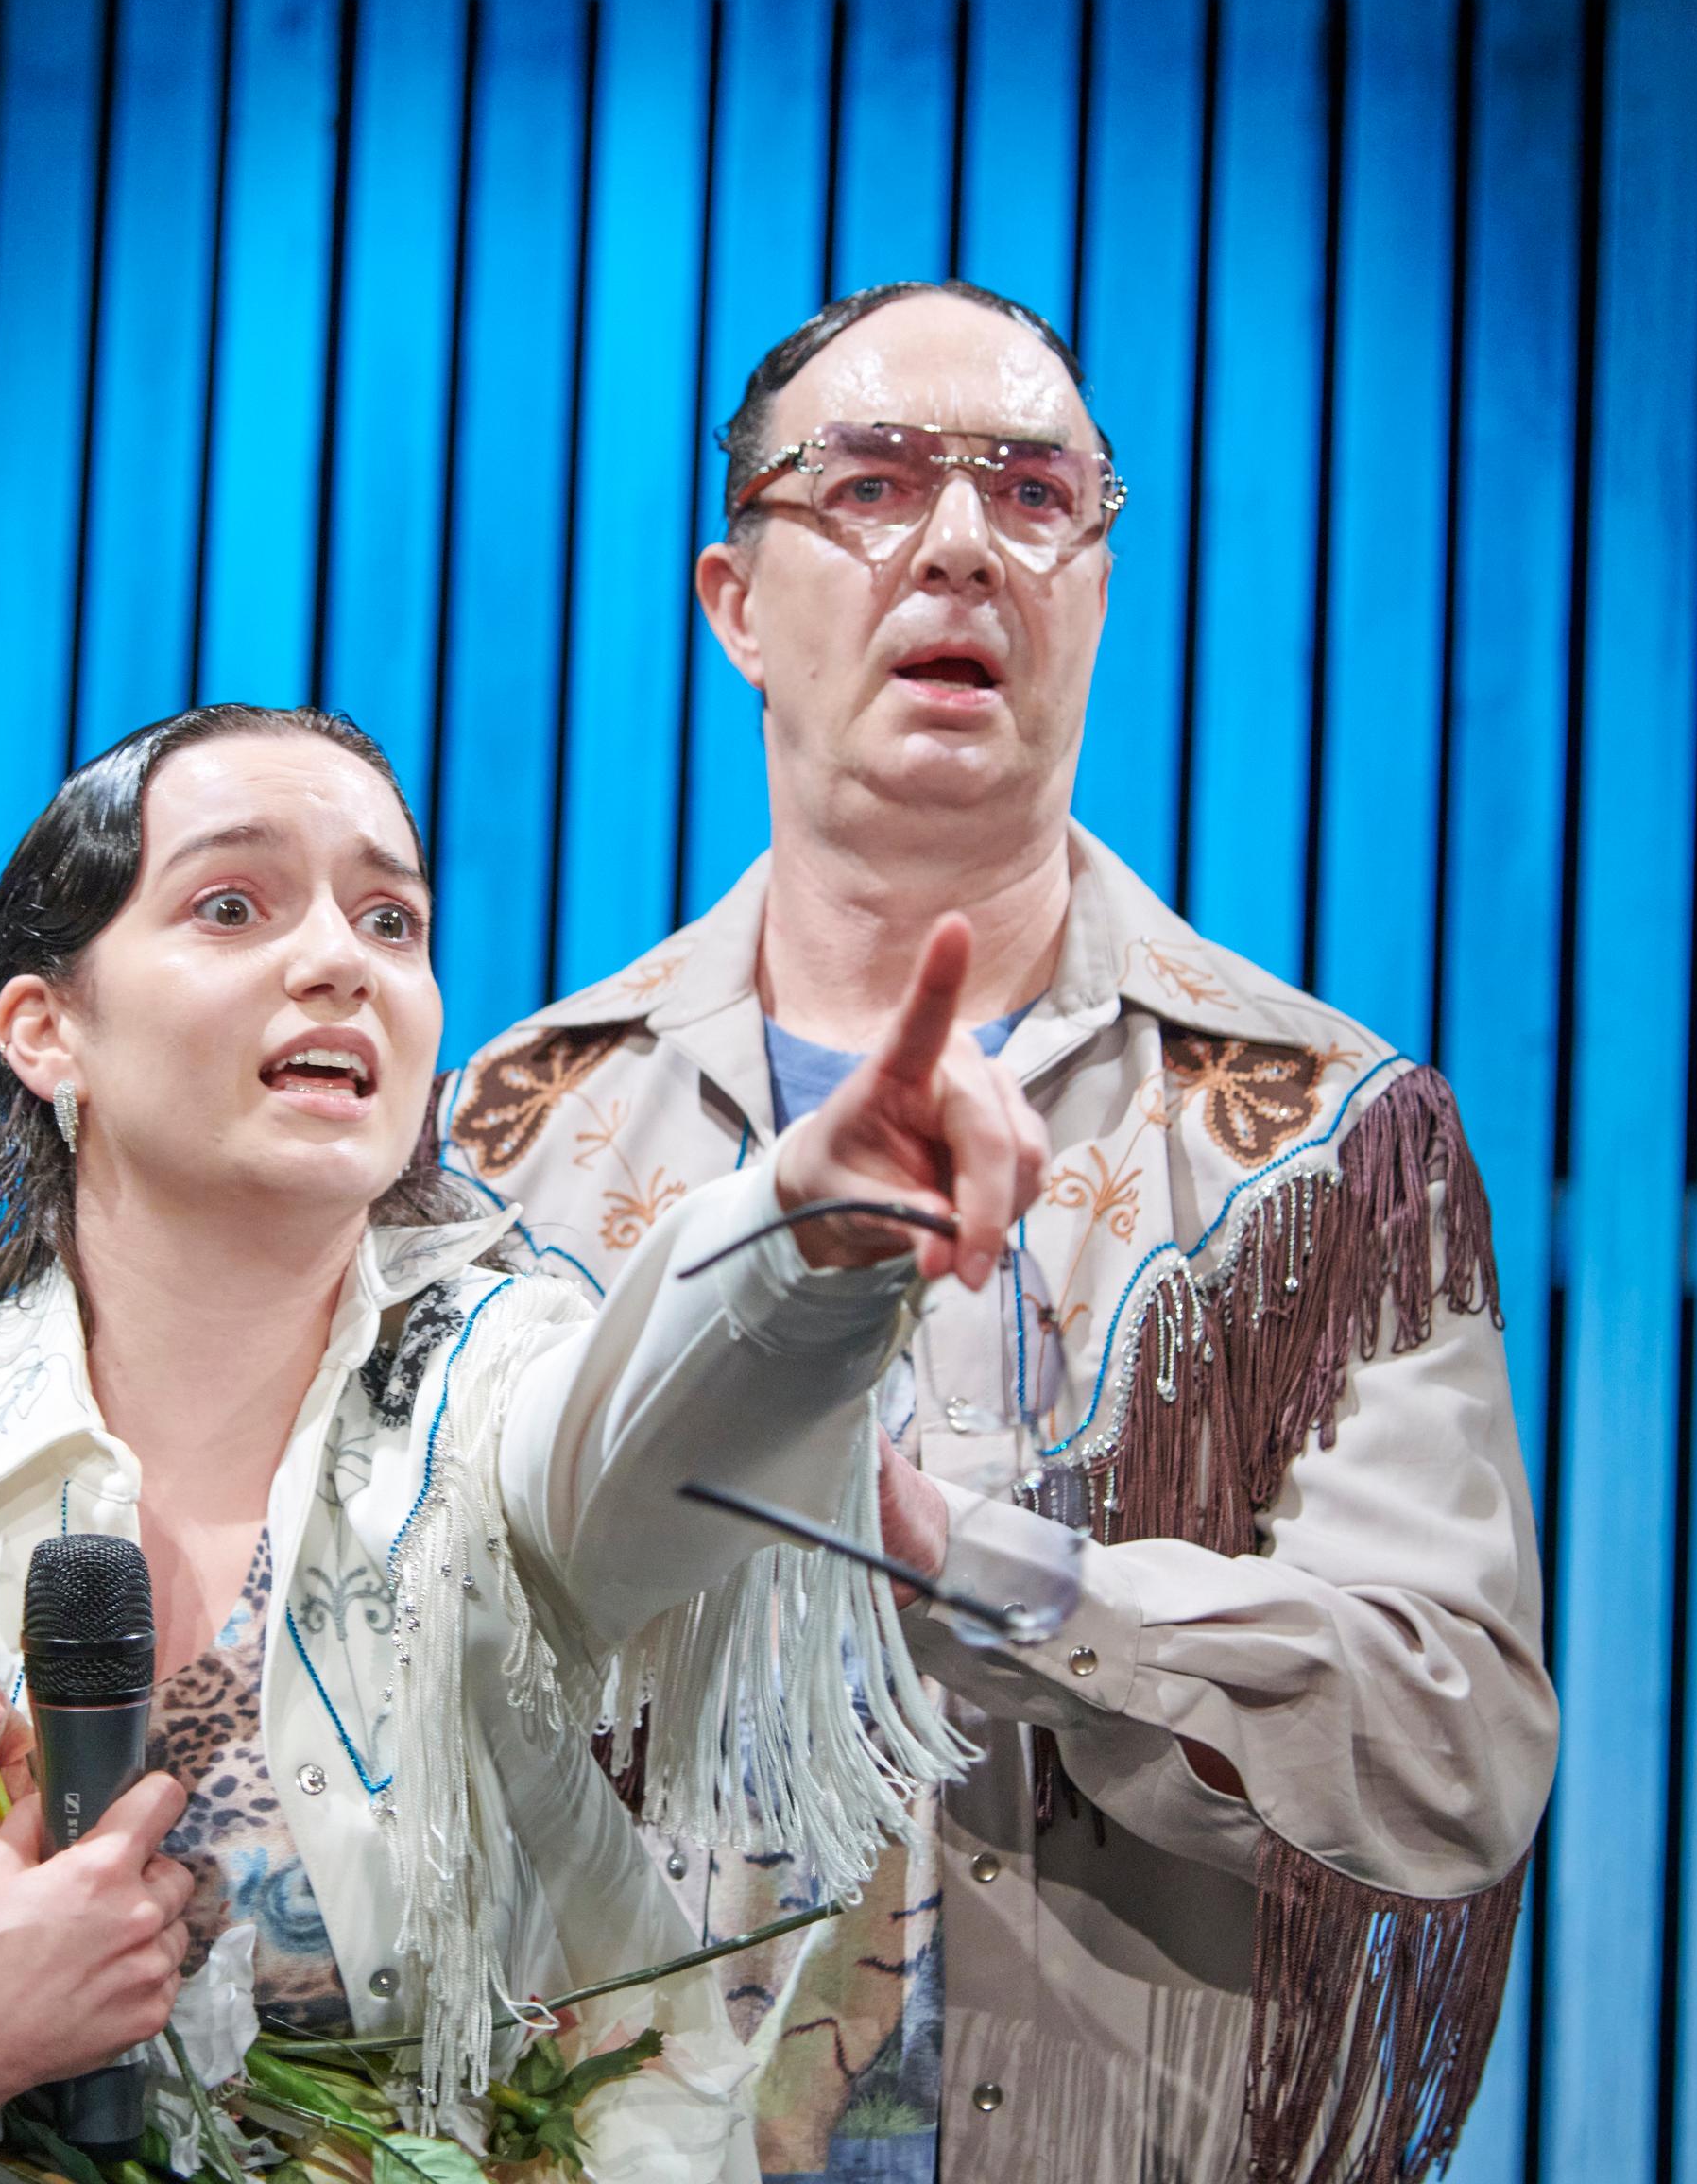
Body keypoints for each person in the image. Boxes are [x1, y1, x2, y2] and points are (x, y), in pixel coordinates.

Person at [440, 282, 1554, 2181]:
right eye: (869, 484)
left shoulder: (1317, 1145)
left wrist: (990, 1574)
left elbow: (1450, 1751)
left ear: (1097, 595)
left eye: (1036, 495)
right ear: (733, 603)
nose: (962, 541)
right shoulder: (521, 1131)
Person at [0, 702, 1046, 2181]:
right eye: (231, 905)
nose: (339, 960)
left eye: (391, 919)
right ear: (46, 1029)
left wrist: (804, 1234)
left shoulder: (493, 1400)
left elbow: (654, 1429)